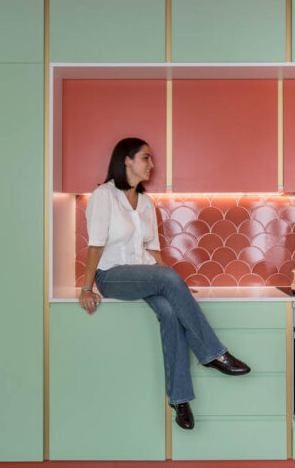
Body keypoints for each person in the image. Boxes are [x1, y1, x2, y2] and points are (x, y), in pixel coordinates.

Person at [79, 137, 251, 430]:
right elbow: (95, 245)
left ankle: (180, 399)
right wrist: (86, 287)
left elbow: (154, 249)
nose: (152, 164)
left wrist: (176, 288)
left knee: (171, 315)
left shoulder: (146, 202)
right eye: (146, 158)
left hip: (145, 273)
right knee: (169, 279)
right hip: (113, 276)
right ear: (126, 160)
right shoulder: (103, 196)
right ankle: (213, 354)